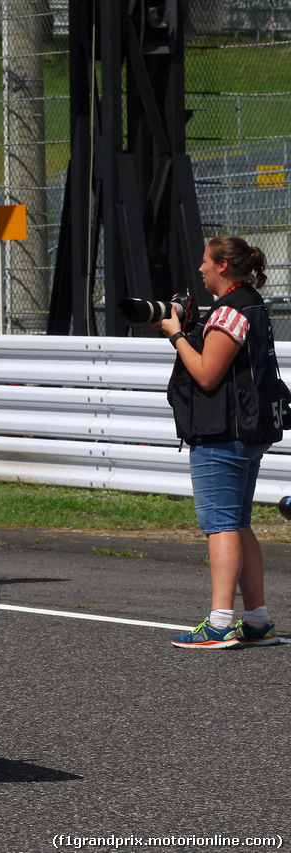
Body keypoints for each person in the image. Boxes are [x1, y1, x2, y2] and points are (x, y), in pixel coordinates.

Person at [156, 235, 280, 649]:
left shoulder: (230, 310)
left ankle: (220, 622)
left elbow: (208, 374)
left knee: (221, 525)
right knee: (238, 522)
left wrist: (175, 335)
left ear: (223, 265)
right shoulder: (252, 303)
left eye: (205, 262)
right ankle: (258, 621)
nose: (200, 269)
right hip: (247, 429)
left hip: (222, 432)